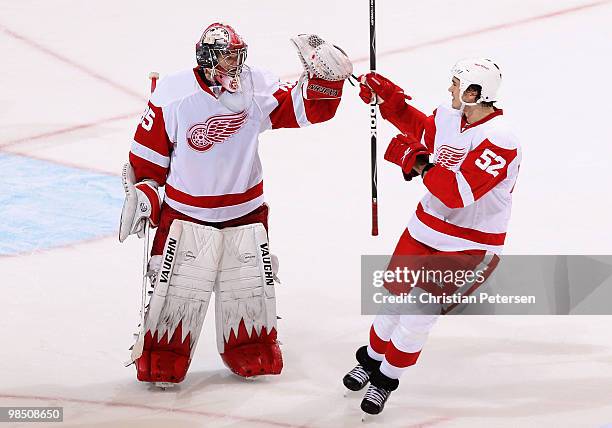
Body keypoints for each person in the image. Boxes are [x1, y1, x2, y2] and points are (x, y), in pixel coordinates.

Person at [118, 23, 353, 386]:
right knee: (176, 291)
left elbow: (303, 110)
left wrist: (326, 81)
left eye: (239, 55)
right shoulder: (173, 93)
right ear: (209, 58)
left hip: (246, 211)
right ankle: (163, 351)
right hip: (185, 214)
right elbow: (148, 160)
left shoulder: (254, 85)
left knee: (249, 288)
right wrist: (147, 196)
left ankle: (249, 345)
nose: (237, 63)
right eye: (229, 56)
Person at [343, 58, 521, 415]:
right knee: (393, 300)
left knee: (416, 314)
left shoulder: (500, 141)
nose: (450, 90)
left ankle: (386, 380)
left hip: (468, 244)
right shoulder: (449, 117)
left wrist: (419, 163)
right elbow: (420, 129)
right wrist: (390, 101)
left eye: (457, 84)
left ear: (475, 93)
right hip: (425, 228)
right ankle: (372, 360)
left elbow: (455, 192)